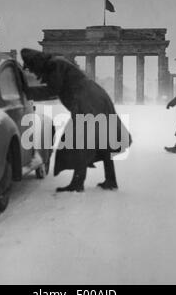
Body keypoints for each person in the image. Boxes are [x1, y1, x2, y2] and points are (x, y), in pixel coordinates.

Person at [21, 48, 132, 192]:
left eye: (31, 68)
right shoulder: (56, 63)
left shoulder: (55, 65)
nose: (33, 72)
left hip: (86, 99)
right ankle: (110, 180)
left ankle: (77, 183)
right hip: (95, 96)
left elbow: (53, 90)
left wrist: (26, 92)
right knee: (103, 139)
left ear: (36, 63)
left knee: (80, 141)